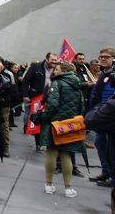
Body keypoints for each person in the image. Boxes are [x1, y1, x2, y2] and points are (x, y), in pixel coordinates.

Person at [37, 61, 85, 198]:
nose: (55, 71)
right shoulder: (77, 86)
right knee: (66, 155)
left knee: (51, 153)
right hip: (70, 125)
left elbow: (52, 104)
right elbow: (81, 107)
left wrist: (43, 117)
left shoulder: (57, 83)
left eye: (57, 69)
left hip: (54, 124)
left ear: (63, 71)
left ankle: (49, 184)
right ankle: (68, 188)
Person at [23, 52, 60, 150]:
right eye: (52, 60)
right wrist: (25, 95)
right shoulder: (36, 67)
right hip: (36, 98)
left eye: (56, 60)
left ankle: (44, 141)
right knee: (37, 119)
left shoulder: (57, 69)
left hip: (50, 98)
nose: (54, 62)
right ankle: (38, 142)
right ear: (47, 59)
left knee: (46, 120)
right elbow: (26, 81)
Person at [90, 47, 115, 187]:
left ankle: (112, 175)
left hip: (109, 116)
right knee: (100, 144)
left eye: (106, 56)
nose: (103, 59)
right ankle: (106, 171)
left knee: (111, 147)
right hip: (100, 114)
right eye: (101, 56)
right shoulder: (104, 73)